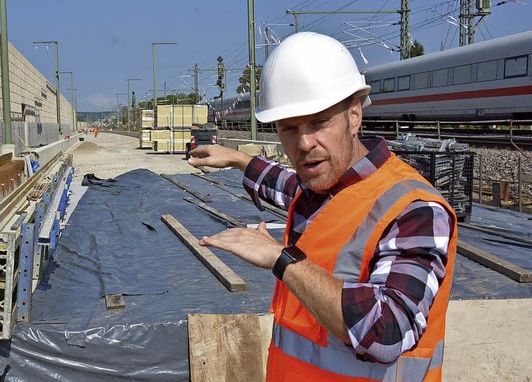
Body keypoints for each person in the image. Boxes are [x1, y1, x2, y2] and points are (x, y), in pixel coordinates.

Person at [187, 32, 457, 381]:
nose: (303, 143)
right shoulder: (325, 186)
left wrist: (281, 259)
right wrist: (238, 160)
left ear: (355, 115)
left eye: (319, 122)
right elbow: (288, 188)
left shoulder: (415, 211)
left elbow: (385, 333)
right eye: (289, 128)